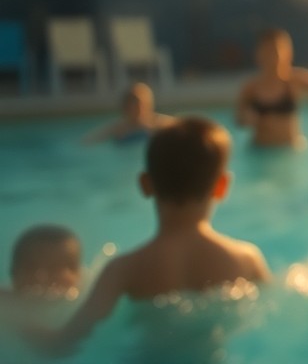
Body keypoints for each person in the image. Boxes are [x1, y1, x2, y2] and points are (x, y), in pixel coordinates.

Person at [24, 118, 271, 355]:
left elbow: (61, 344)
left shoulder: (122, 270)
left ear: (145, 184)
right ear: (222, 186)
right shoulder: (247, 260)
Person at [81, 83, 175, 145]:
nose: (140, 107)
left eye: (143, 103)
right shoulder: (118, 128)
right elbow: (88, 142)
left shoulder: (160, 123)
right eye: (135, 102)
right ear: (126, 106)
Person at [3, 225, 81, 299]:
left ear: (76, 273)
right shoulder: (5, 303)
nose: (41, 277)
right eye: (31, 268)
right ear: (13, 272)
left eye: (53, 268)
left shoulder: (88, 302)